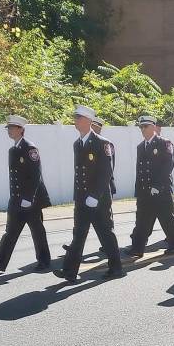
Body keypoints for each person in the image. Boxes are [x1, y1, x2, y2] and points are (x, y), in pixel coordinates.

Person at [54, 106, 124, 283]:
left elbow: (106, 172)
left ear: (87, 120)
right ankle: (70, 271)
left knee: (106, 234)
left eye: (78, 117)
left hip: (98, 199)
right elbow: (79, 173)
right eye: (75, 117)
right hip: (82, 198)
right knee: (78, 234)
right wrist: (79, 196)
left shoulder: (103, 143)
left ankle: (116, 268)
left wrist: (95, 195)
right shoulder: (77, 144)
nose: (75, 120)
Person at [0, 115, 52, 272]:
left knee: (37, 231)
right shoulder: (13, 150)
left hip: (30, 200)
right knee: (10, 231)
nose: (9, 131)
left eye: (12, 128)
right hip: (16, 199)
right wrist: (16, 197)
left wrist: (28, 198)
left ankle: (44, 261)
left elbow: (35, 175)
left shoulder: (30, 148)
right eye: (9, 128)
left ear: (21, 130)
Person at [127, 115, 174, 258]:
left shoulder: (164, 143)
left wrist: (157, 186)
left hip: (161, 190)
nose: (142, 129)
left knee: (167, 219)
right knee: (141, 221)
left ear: (153, 127)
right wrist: (138, 190)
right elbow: (140, 170)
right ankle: (137, 248)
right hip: (145, 191)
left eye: (145, 126)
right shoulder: (141, 147)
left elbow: (168, 165)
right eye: (141, 127)